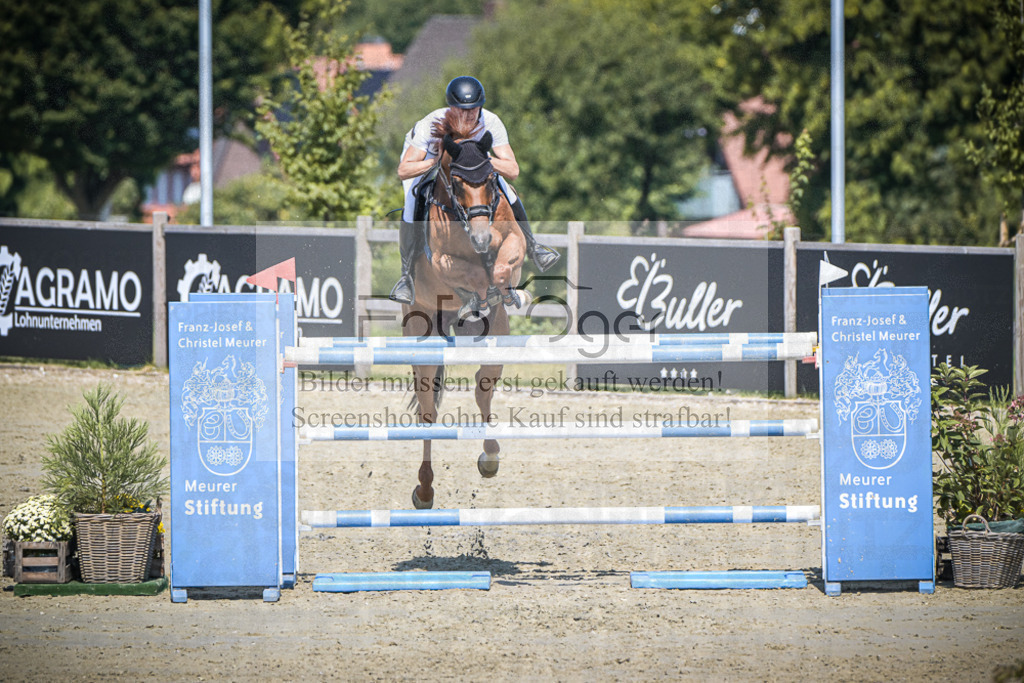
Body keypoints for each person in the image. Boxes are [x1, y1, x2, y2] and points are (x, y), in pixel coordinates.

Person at [390, 76, 560, 305]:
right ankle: (406, 276)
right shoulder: (430, 124)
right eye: (461, 110)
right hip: (428, 159)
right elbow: (404, 170)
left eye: (473, 110)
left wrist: (485, 160)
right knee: (413, 199)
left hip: (474, 164)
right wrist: (438, 164)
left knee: (506, 188)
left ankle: (533, 246)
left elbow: (513, 169)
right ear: (451, 107)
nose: (468, 115)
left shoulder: (491, 122)